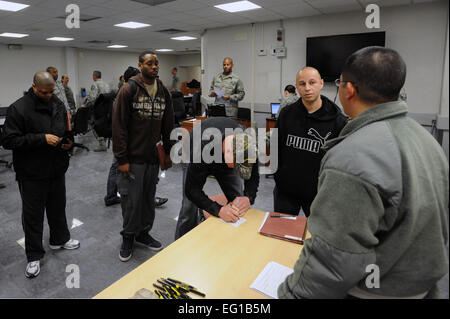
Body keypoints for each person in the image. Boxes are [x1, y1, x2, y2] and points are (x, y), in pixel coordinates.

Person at [278, 47, 449, 299]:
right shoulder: (427, 140)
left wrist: (290, 294)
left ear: (348, 89)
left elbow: (333, 260)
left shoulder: (352, 156)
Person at [2, 71, 80, 279]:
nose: (48, 96)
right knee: (33, 215)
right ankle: (34, 254)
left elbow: (64, 129)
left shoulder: (57, 103)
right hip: (31, 172)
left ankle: (59, 239)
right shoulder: (19, 108)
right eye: (44, 92)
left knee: (57, 207)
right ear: (34, 87)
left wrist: (67, 141)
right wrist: (41, 139)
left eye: (51, 91)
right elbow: (9, 141)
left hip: (56, 168)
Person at [112, 51, 174, 262]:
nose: (155, 66)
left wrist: (168, 151)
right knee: (131, 202)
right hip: (133, 158)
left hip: (153, 159)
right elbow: (119, 126)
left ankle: (143, 233)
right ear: (140, 65)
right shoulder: (129, 89)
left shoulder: (163, 90)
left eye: (156, 63)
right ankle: (128, 236)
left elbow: (168, 123)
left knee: (148, 200)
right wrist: (121, 159)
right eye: (149, 63)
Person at [274, 67, 347, 217]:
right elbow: (276, 148)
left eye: (312, 82)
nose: (307, 88)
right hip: (286, 192)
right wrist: (279, 177)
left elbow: (340, 163)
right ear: (297, 87)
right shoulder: (286, 114)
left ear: (321, 83)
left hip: (318, 195)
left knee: (317, 236)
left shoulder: (338, 121)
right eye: (302, 84)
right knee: (282, 235)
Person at [174, 117, 259, 240]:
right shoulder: (202, 148)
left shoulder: (247, 144)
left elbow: (253, 175)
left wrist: (248, 197)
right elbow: (192, 190)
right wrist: (218, 210)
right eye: (234, 167)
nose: (236, 172)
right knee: (188, 208)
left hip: (221, 153)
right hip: (196, 149)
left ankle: (234, 242)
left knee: (238, 201)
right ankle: (179, 244)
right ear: (227, 155)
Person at [105, 66, 169, 208]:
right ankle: (115, 196)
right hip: (126, 143)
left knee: (121, 167)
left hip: (136, 144)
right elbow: (121, 125)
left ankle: (118, 196)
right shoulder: (126, 93)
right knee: (119, 166)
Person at [86, 70, 111, 152]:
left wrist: (86, 105)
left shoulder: (95, 84)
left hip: (97, 109)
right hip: (106, 109)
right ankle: (104, 141)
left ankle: (101, 144)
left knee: (94, 125)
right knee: (104, 125)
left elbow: (92, 98)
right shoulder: (106, 84)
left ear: (94, 76)